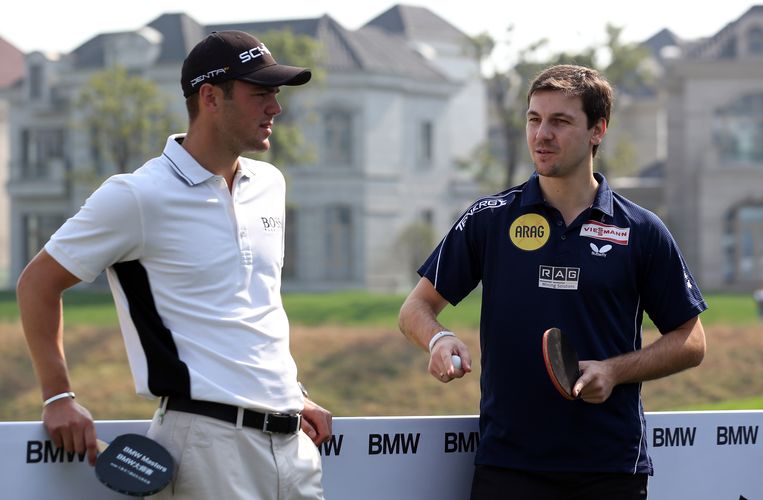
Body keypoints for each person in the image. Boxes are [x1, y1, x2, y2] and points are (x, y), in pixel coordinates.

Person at [17, 30, 331, 500]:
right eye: (260, 94)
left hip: (294, 445)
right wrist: (59, 396)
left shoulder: (270, 183)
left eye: (276, 95)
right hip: (205, 446)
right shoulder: (137, 195)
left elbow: (252, 303)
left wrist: (289, 392)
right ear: (210, 98)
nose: (275, 109)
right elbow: (36, 283)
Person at [398, 64, 707, 499]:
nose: (542, 134)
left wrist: (614, 372)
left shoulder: (641, 229)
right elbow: (415, 309)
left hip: (610, 469)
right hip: (508, 466)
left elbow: (692, 341)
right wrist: (438, 339)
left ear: (598, 130)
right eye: (534, 119)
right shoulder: (489, 219)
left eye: (560, 121)